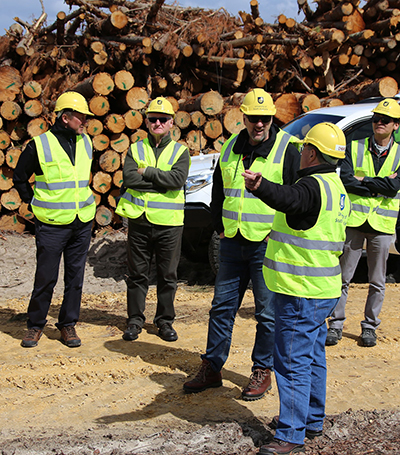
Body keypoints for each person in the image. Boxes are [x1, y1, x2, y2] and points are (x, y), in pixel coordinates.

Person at [183, 89, 300, 400]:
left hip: (268, 244)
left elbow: (295, 198)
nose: (258, 124)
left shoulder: (288, 149)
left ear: (271, 119)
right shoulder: (233, 144)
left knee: (267, 313)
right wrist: (219, 227)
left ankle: (262, 369)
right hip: (232, 241)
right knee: (221, 307)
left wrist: (280, 235)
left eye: (264, 119)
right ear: (244, 119)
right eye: (253, 119)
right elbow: (220, 188)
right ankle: (213, 366)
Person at [243, 123, 350, 454]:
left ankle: (291, 434)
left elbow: (288, 197)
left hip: (301, 290)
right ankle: (311, 419)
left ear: (312, 153)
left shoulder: (310, 187)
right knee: (314, 355)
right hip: (324, 288)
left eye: (304, 148)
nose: (300, 152)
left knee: (291, 361)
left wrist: (260, 185)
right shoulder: (336, 186)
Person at [13, 91, 96, 348]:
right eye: (81, 116)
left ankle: (68, 325)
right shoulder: (39, 145)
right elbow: (19, 177)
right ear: (64, 117)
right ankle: (35, 325)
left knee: (75, 278)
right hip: (50, 224)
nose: (85, 121)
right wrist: (34, 204)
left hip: (82, 221)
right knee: (46, 277)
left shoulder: (87, 142)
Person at [326, 98, 400, 348]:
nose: (379, 123)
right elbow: (347, 180)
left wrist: (365, 180)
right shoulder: (353, 146)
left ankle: (370, 327)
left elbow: (394, 187)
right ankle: (335, 325)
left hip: (381, 225)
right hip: (355, 221)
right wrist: (379, 183)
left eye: (385, 120)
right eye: (376, 119)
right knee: (341, 278)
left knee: (377, 281)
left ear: (395, 126)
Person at [116, 97, 190, 342]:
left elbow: (176, 181)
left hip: (169, 223)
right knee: (137, 274)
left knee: (167, 275)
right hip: (140, 220)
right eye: (153, 119)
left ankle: (165, 321)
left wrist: (146, 172)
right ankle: (135, 321)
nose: (157, 123)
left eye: (162, 119)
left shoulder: (181, 151)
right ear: (147, 122)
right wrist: (161, 182)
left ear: (171, 123)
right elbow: (129, 179)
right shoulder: (136, 148)